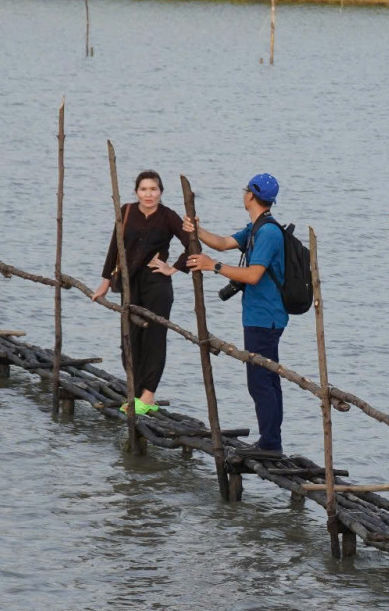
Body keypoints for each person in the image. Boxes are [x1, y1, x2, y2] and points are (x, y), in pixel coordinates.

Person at [185, 174, 286, 453]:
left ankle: (270, 443)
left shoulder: (268, 232)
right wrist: (197, 229)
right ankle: (271, 439)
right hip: (260, 315)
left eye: (245, 190)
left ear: (250, 195)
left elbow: (253, 275)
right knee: (267, 378)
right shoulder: (256, 227)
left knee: (260, 382)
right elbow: (221, 242)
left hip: (265, 317)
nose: (243, 194)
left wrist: (212, 266)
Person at [91, 170, 195, 416]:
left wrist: (173, 268)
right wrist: (105, 283)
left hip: (157, 286)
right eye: (144, 189)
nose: (149, 194)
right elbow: (114, 248)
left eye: (154, 189)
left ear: (161, 192)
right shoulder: (126, 211)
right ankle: (137, 393)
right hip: (129, 284)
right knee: (129, 339)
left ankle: (148, 396)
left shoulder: (168, 216)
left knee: (154, 340)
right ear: (136, 191)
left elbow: (192, 243)